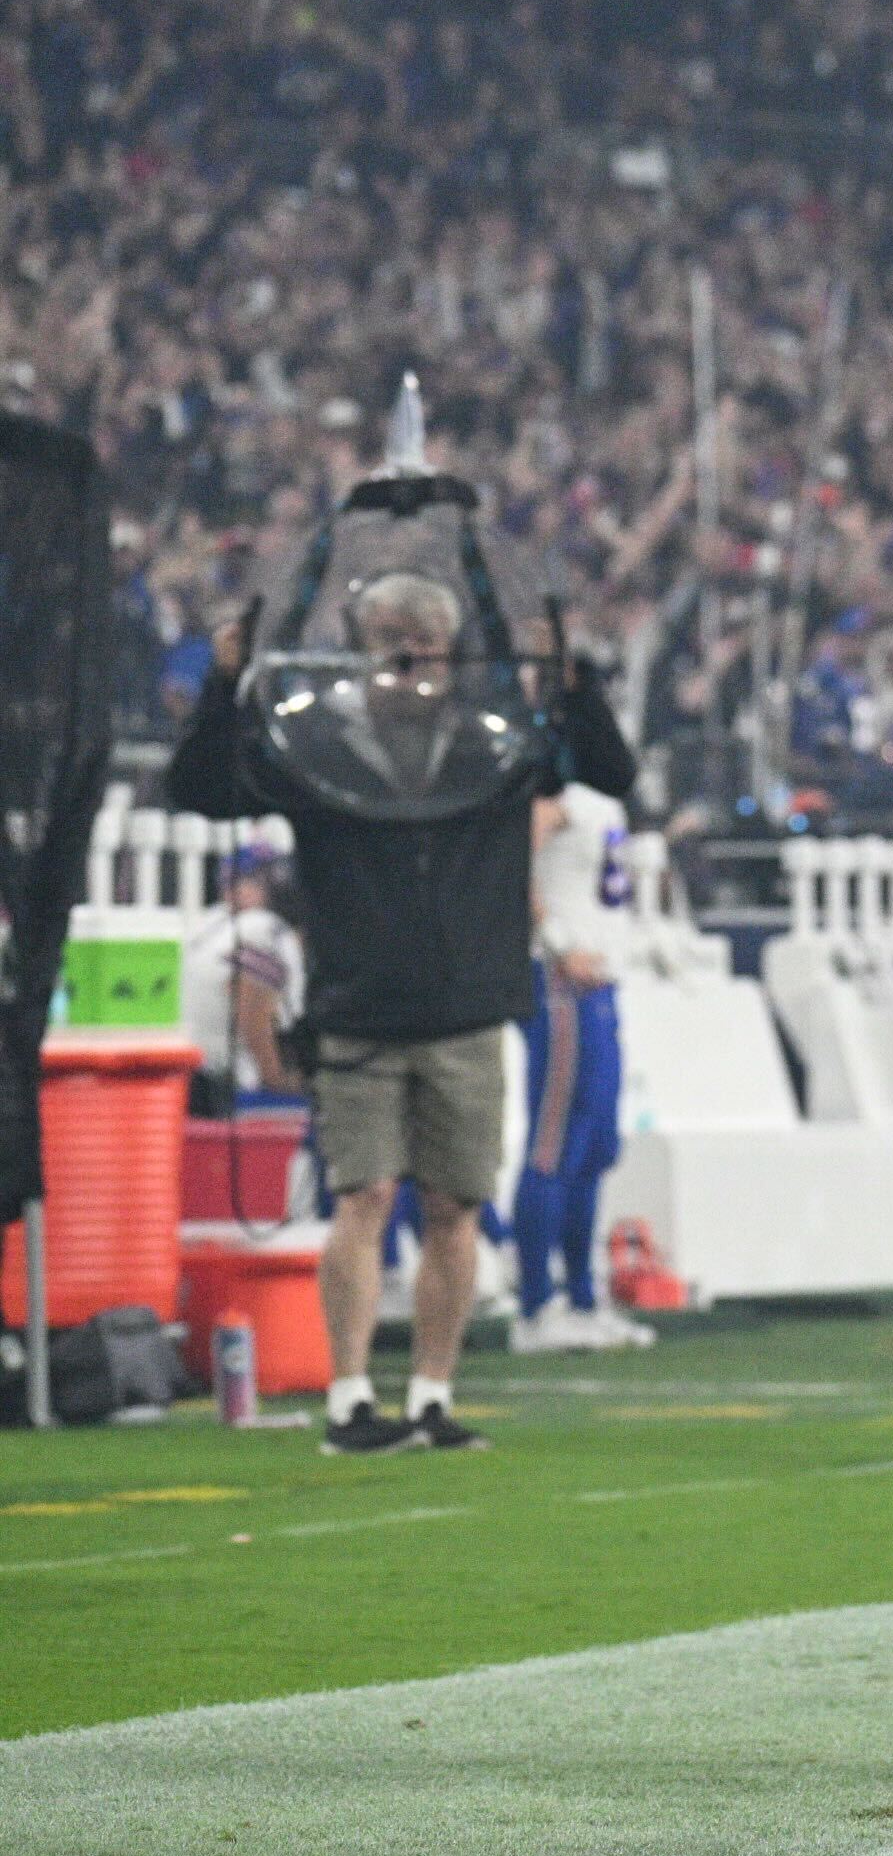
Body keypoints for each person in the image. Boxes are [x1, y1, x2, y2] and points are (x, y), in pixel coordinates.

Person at [167, 581, 635, 1453]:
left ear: (453, 650)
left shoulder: (494, 746)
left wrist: (576, 683)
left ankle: (431, 1393)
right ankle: (350, 1397)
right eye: (388, 633)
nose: (407, 650)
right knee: (365, 1194)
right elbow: (200, 788)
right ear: (358, 645)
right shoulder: (321, 748)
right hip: (359, 1007)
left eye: (422, 634)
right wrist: (223, 685)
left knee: (456, 1204)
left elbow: (610, 775)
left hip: (465, 1008)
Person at [508, 771, 653, 1352]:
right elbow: (513, 854)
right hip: (561, 984)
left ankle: (582, 1299)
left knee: (593, 1149)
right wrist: (557, 941)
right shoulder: (558, 790)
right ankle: (536, 1305)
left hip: (599, 984)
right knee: (554, 1146)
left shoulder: (601, 797)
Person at [180, 843, 303, 1114]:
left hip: (187, 1072)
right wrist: (276, 1080)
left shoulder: (209, 921)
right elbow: (251, 1013)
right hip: (226, 1085)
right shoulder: (261, 928)